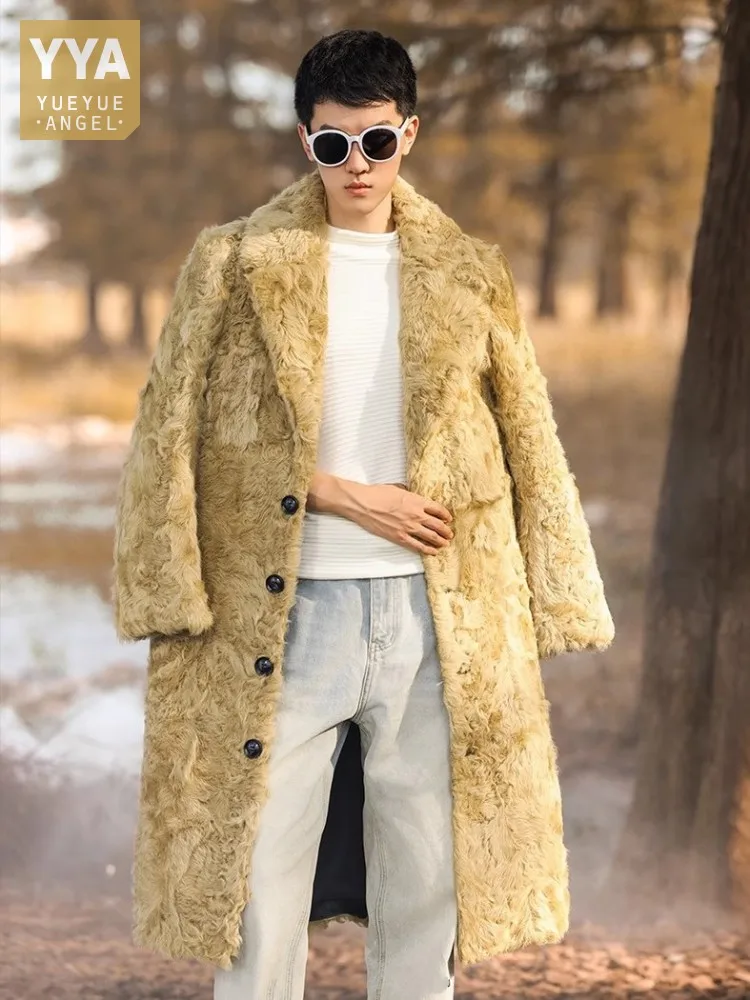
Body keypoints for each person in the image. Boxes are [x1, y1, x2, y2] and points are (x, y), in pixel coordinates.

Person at [112, 27, 614, 1000]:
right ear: (306, 138)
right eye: (334, 143)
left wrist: (558, 590)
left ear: (408, 134)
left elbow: (530, 436)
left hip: (437, 617)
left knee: (428, 889)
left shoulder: (469, 270)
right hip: (283, 615)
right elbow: (173, 434)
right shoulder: (233, 262)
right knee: (256, 892)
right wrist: (344, 495)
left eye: (376, 141)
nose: (357, 165)